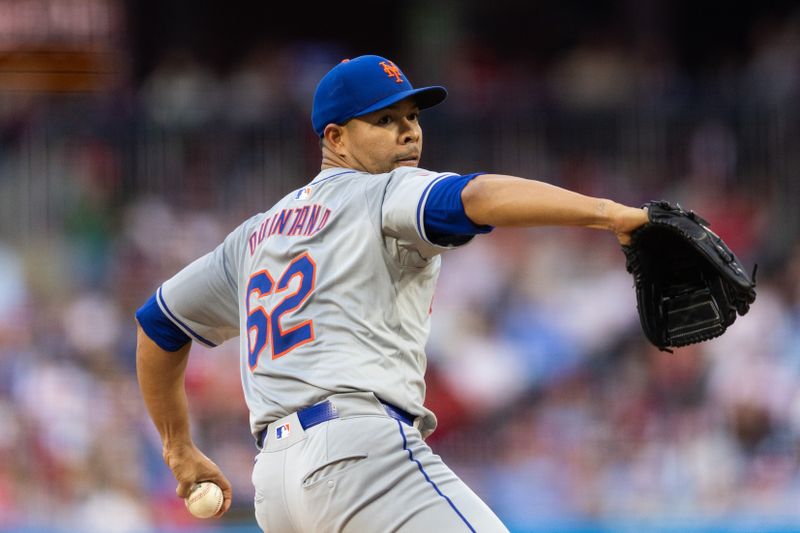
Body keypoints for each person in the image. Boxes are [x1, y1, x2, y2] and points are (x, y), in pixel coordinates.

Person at [135, 54, 649, 532]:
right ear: (335, 138)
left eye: (412, 117)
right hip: (359, 453)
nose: (408, 133)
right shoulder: (382, 191)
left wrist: (178, 448)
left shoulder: (253, 238)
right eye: (384, 121)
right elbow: (475, 196)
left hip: (277, 484)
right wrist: (612, 214)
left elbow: (159, 324)